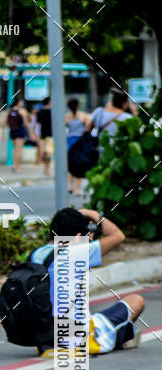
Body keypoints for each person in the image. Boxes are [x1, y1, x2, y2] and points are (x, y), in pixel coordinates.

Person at [31, 208, 144, 354]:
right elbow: (118, 236)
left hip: (46, 336)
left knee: (96, 316)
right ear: (78, 236)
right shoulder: (77, 252)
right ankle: (121, 334)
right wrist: (93, 214)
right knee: (136, 300)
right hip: (77, 338)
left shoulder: (36, 254)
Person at [65, 98, 90, 196]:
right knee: (79, 165)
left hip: (70, 141)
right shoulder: (83, 116)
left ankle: (70, 186)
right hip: (80, 142)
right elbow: (88, 127)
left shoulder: (66, 117)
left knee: (70, 164)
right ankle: (78, 189)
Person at [3, 98, 31, 172]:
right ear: (18, 102)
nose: (22, 103)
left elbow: (4, 123)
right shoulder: (22, 111)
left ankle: (14, 165)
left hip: (12, 132)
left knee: (15, 150)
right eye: (21, 102)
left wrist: (3, 134)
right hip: (20, 131)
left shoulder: (9, 111)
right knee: (19, 150)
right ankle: (17, 167)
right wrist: (30, 133)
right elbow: (26, 123)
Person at [36, 97, 53, 176]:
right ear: (49, 102)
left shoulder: (40, 112)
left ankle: (45, 169)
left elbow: (38, 125)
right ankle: (47, 169)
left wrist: (37, 135)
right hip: (51, 135)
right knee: (49, 153)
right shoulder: (53, 112)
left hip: (42, 134)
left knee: (44, 152)